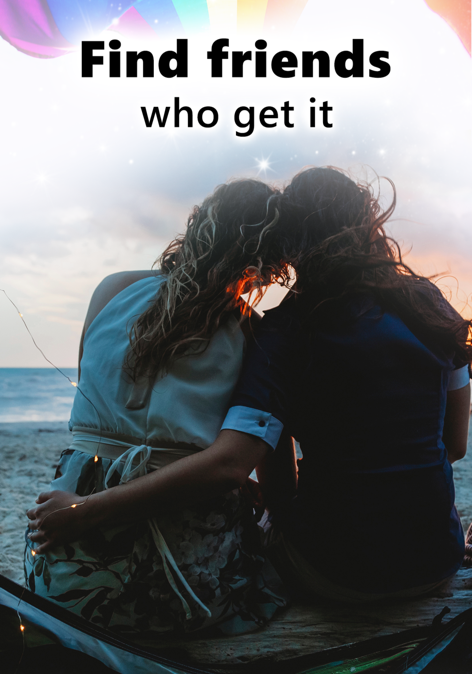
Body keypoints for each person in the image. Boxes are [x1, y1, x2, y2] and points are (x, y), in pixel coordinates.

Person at [28, 167, 471, 603]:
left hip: (333, 573)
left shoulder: (279, 326)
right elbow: (453, 445)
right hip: (437, 559)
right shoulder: (429, 306)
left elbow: (246, 472)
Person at [25, 178, 293, 636]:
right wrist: (217, 474)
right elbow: (266, 483)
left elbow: (100, 402)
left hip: (60, 570)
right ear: (267, 267)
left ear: (197, 225)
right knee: (271, 562)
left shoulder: (112, 289)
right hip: (171, 595)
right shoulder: (256, 333)